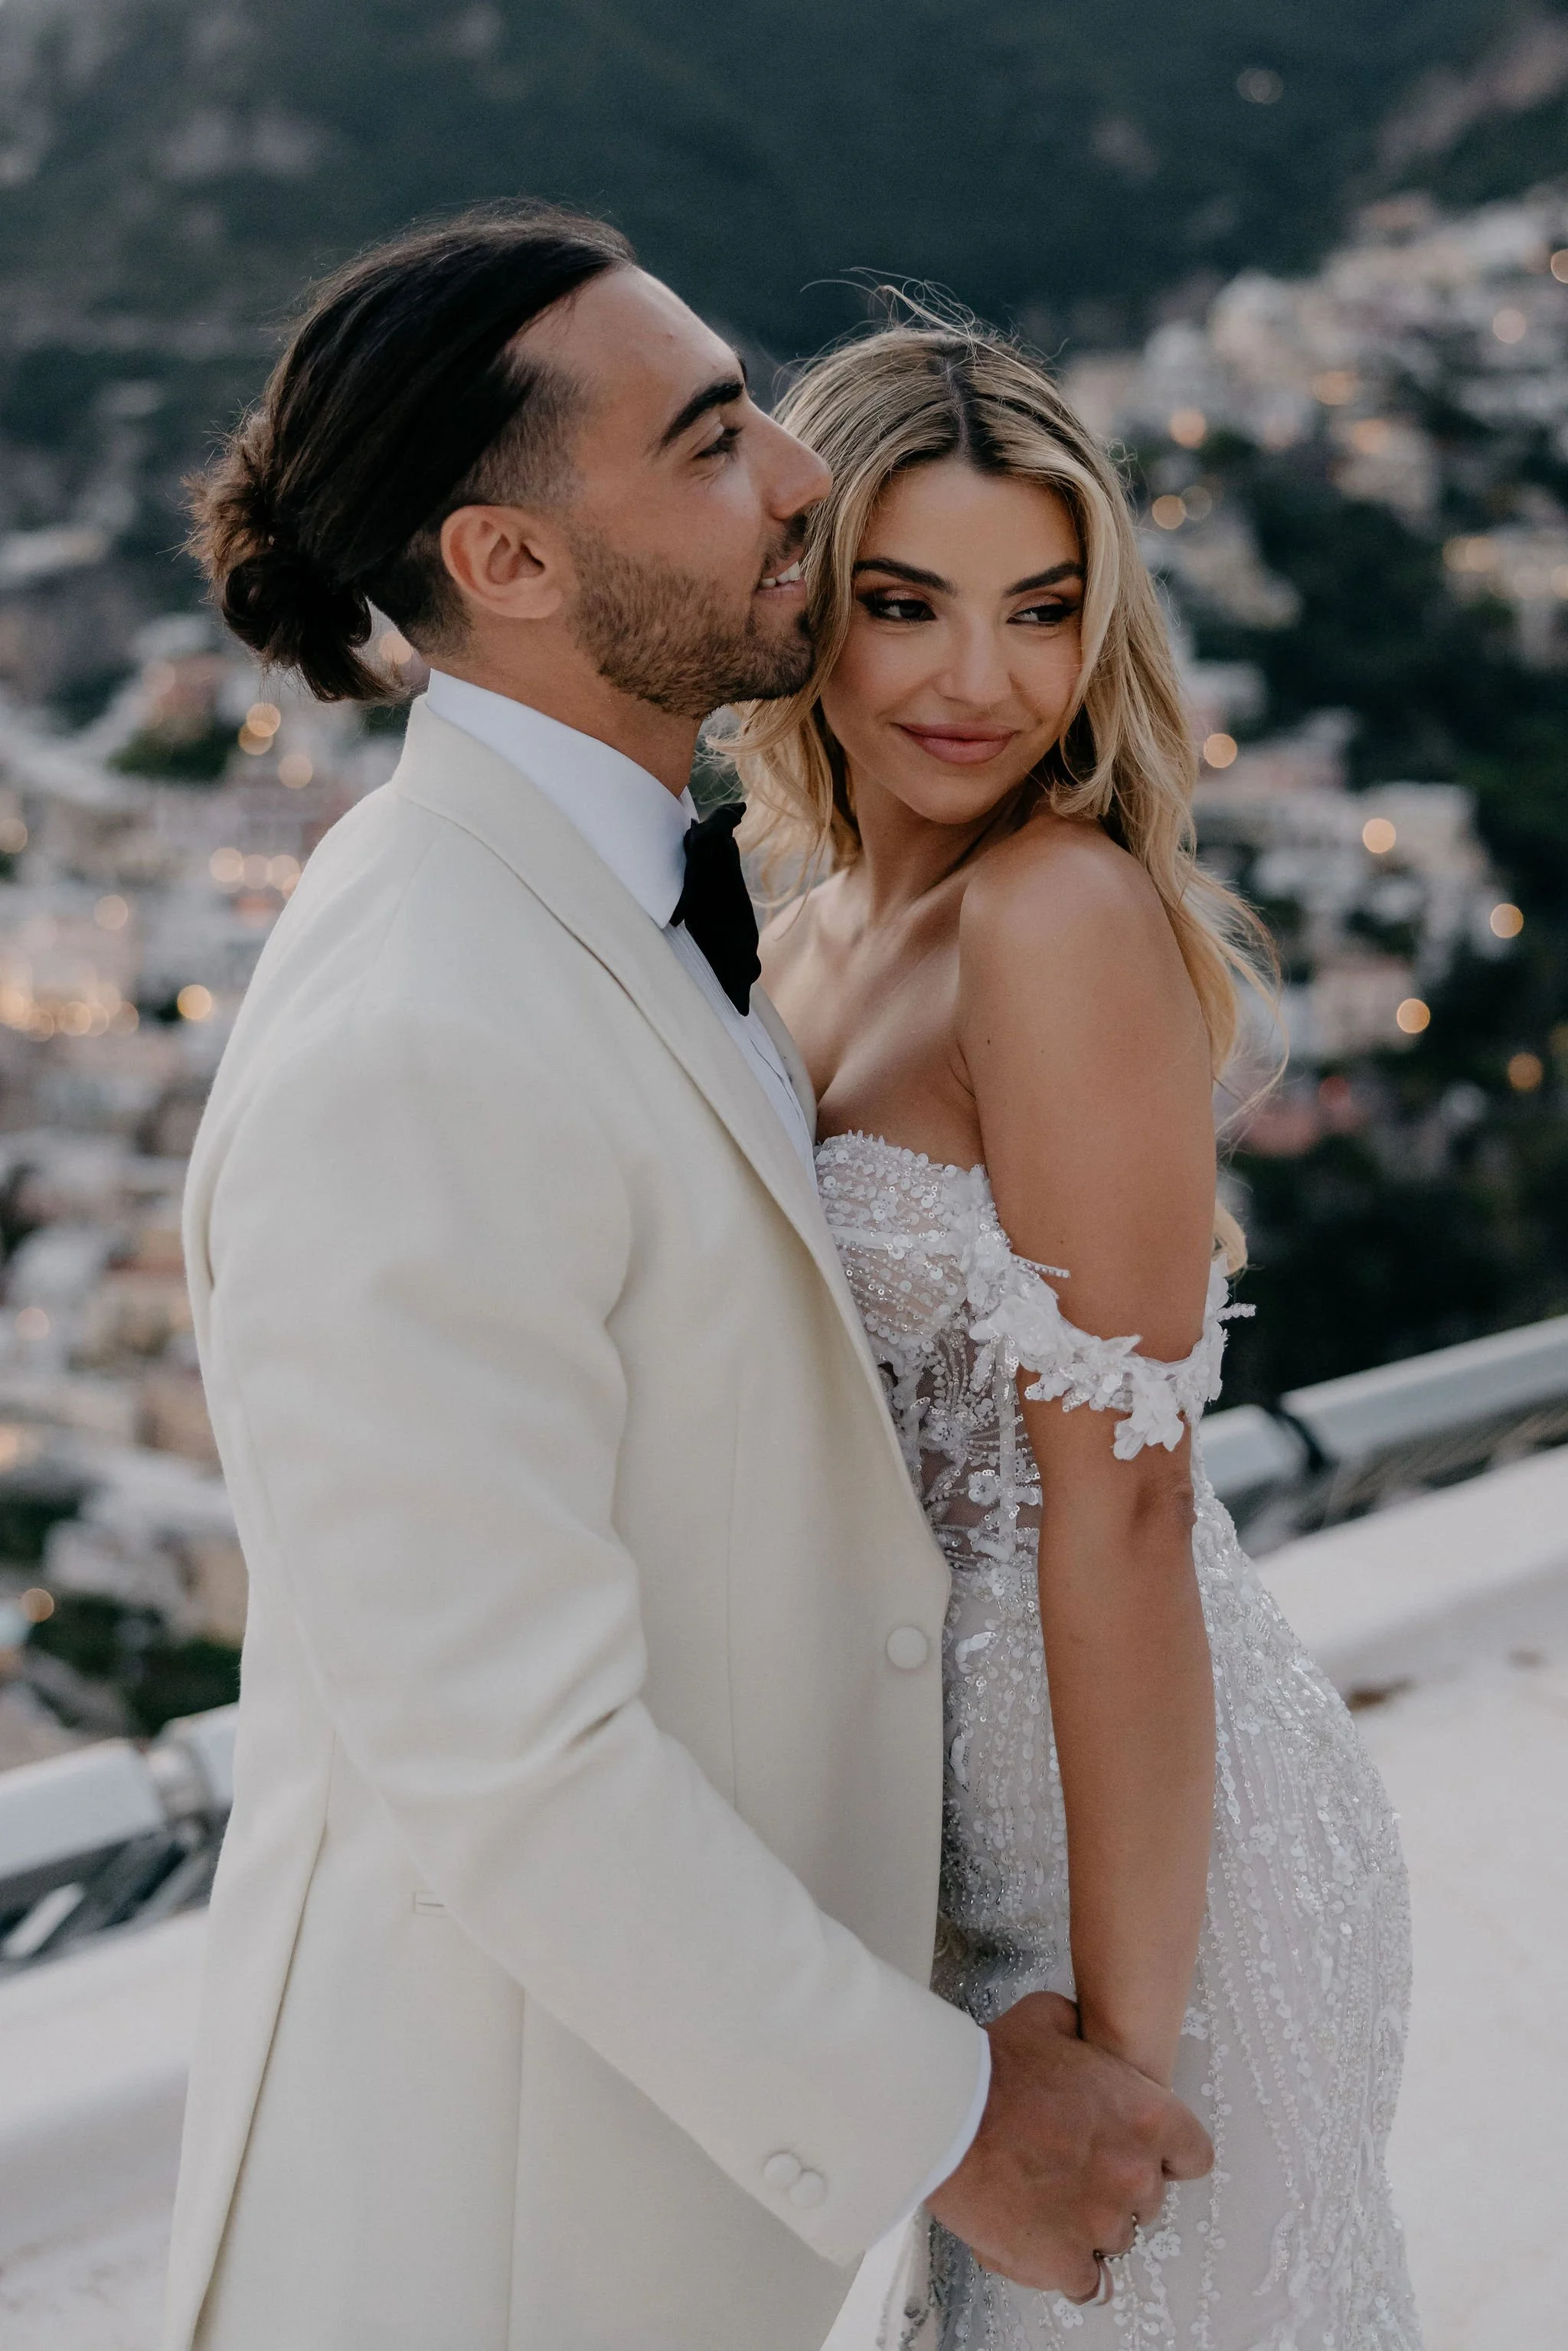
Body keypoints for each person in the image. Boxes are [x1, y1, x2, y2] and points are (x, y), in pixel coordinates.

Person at [162, 207, 1211, 2351]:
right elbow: (511, 1752)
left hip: (691, 2151)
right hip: (501, 2228)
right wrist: (953, 2121)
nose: (806, 477)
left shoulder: (613, 900)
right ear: (508, 561)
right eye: (716, 440)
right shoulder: (423, 1024)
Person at [744, 321, 1423, 2350]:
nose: (980, 678)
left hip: (1139, 1859)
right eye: (906, 604)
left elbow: (1123, 1512)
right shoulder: (796, 937)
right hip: (945, 1858)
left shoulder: (1055, 917)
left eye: (1042, 611)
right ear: (809, 604)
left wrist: (1122, 2047)